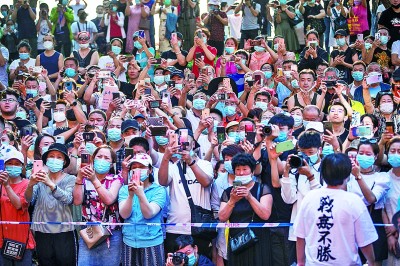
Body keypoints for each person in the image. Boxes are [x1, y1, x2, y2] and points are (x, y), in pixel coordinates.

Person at [293, 153, 378, 265]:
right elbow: (365, 242)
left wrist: (300, 263)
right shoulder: (353, 201)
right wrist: (371, 262)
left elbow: (300, 235)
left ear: (322, 174)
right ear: (348, 175)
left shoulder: (310, 198)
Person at [24, 143, 77, 266]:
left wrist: (50, 183)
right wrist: (31, 184)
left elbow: (68, 199)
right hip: (42, 231)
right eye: (51, 156)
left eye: (59, 157)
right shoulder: (39, 178)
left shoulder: (70, 179)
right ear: (46, 160)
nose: (55, 159)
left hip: (64, 232)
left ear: (64, 162)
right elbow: (28, 200)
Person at [219, 153, 273, 265]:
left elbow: (265, 215)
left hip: (258, 241)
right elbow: (222, 217)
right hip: (237, 242)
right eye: (238, 169)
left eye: (245, 169)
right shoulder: (228, 192)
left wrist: (249, 197)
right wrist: (232, 201)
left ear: (252, 172)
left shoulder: (262, 189)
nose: (241, 173)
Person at [73, 145, 123, 266]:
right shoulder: (84, 180)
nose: (102, 160)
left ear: (111, 164)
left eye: (106, 158)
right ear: (93, 160)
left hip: (111, 234)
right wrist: (79, 178)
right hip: (89, 233)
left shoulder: (116, 179)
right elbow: (77, 201)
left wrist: (94, 180)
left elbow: (109, 199)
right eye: (99, 156)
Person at [347, 138, 391, 265]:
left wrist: (358, 177)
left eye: (368, 154)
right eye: (361, 153)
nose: (363, 156)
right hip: (352, 226)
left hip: (374, 224)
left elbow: (371, 199)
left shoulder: (382, 177)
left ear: (375, 156)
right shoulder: (348, 177)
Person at [119, 153, 167, 265]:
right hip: (129, 241)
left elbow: (149, 214)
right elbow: (124, 215)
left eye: (141, 167)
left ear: (150, 170)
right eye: (133, 167)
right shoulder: (124, 190)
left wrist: (140, 194)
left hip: (152, 242)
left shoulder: (159, 190)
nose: (137, 170)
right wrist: (131, 195)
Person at [0, 150, 36, 266]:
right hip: (2, 240)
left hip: (22, 241)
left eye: (17, 164)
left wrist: (7, 185)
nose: (13, 166)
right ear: (4, 166)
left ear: (22, 167)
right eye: (10, 163)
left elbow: (19, 205)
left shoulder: (27, 184)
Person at [383, 137, 400, 266]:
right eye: (392, 151)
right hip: (390, 236)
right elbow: (381, 207)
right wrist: (389, 235)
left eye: (399, 151)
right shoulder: (383, 178)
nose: (395, 154)